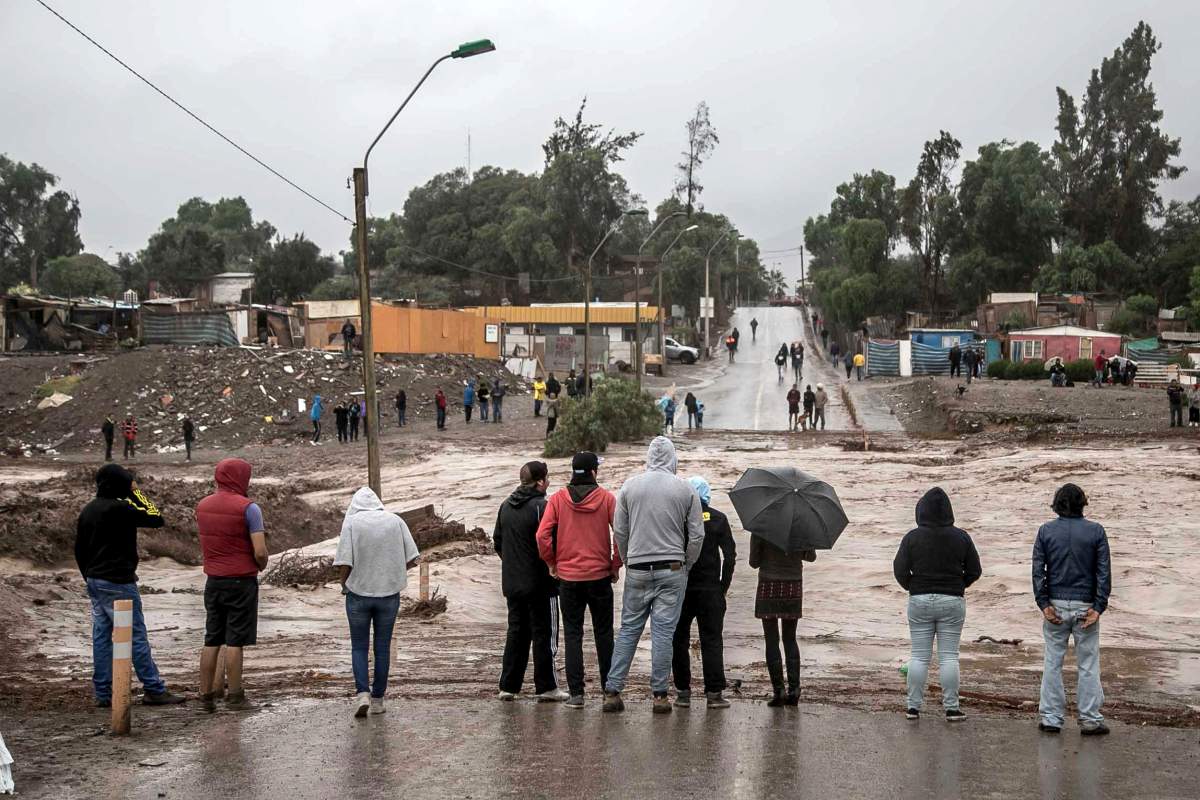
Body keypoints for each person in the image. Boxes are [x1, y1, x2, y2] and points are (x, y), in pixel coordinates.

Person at [603, 437, 704, 714]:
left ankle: (612, 691)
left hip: (636, 567)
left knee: (629, 631)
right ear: (673, 458)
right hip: (672, 568)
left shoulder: (629, 487)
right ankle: (660, 695)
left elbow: (620, 532)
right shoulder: (685, 489)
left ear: (648, 457)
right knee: (663, 633)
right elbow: (696, 535)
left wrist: (627, 559)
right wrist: (687, 564)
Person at [75, 464, 185, 708]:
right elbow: (157, 517)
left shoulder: (88, 510)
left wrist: (89, 576)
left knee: (102, 637)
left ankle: (103, 693)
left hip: (95, 581)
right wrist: (137, 493)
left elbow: (79, 550)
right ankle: (154, 689)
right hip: (119, 582)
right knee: (136, 635)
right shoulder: (121, 509)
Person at [537, 452, 619, 708]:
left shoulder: (558, 499)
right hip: (600, 577)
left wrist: (552, 563)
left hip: (569, 579)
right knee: (604, 634)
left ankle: (577, 694)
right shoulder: (607, 499)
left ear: (573, 471)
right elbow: (622, 534)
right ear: (594, 472)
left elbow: (542, 536)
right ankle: (609, 690)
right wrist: (615, 564)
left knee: (573, 635)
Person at [892, 487, 982, 722]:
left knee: (919, 656)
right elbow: (975, 570)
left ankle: (913, 708)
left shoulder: (912, 537)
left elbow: (899, 570)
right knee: (949, 657)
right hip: (952, 600)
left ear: (921, 511)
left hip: (920, 599)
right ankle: (951, 708)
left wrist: (913, 586)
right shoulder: (961, 537)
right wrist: (959, 584)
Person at [1033, 483, 1111, 736]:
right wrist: (1099, 607)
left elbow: (1038, 571)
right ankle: (1089, 719)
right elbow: (1103, 573)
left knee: (1052, 662)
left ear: (1056, 504)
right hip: (1085, 605)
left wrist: (1043, 604)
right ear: (1082, 503)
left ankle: (1052, 718)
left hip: (1055, 603)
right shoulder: (1096, 531)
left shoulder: (1045, 531)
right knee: (1088, 664)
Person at [335, 486, 419, 717]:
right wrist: (393, 572)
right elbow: (413, 558)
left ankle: (362, 693)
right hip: (389, 595)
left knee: (359, 647)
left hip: (358, 595)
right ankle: (379, 699)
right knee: (382, 648)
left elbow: (345, 561)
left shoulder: (351, 523)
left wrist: (344, 584)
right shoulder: (396, 521)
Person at [196, 458, 270, 712]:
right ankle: (235, 696)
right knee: (235, 639)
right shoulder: (249, 508)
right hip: (241, 580)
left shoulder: (203, 506)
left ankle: (206, 696)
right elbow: (259, 550)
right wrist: (261, 565)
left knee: (212, 638)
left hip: (213, 580)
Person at [495, 462, 564, 702]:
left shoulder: (505, 506)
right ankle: (547, 687)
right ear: (540, 482)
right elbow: (552, 541)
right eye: (548, 478)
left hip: (512, 584)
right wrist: (552, 568)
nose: (549, 482)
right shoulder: (542, 507)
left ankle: (508, 686)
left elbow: (497, 542)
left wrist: (514, 564)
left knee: (516, 633)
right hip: (541, 585)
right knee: (545, 634)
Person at [672, 476, 735, 709]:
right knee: (712, 640)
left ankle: (682, 692)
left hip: (682, 589)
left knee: (678, 640)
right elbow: (730, 557)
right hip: (711, 590)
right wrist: (723, 586)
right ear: (707, 494)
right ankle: (714, 694)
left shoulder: (678, 520)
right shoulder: (719, 519)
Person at [750, 533, 813, 707]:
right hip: (793, 584)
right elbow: (811, 556)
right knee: (790, 638)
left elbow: (753, 562)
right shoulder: (801, 526)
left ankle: (779, 691)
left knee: (771, 640)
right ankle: (795, 689)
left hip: (768, 585)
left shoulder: (761, 526)